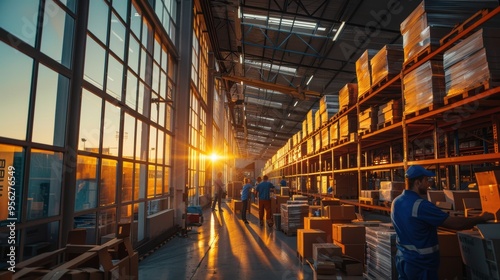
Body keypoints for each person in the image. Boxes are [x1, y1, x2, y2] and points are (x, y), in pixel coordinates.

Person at [391, 165, 495, 280]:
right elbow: (456, 224)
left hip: (403, 260)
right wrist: (481, 218)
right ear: (417, 182)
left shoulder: (396, 202)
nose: (428, 184)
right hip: (421, 265)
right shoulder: (421, 205)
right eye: (426, 180)